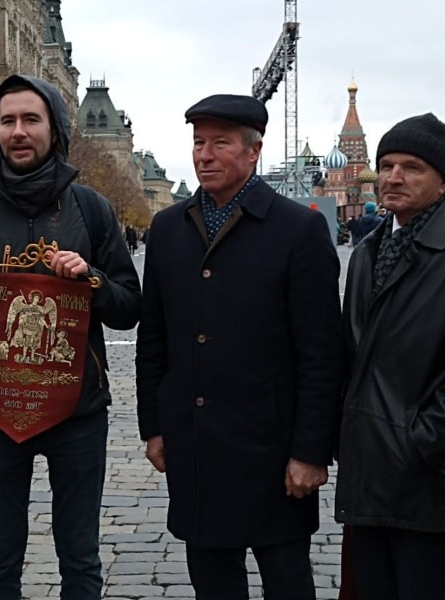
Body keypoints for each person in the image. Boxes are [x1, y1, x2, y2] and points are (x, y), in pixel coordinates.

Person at [0, 74, 140, 599]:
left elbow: (128, 308)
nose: (18, 132)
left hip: (77, 415)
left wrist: (90, 278)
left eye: (30, 119)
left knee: (81, 562)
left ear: (55, 129)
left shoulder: (92, 209)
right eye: (7, 121)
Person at [136, 94, 343, 599]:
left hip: (271, 450)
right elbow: (154, 337)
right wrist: (154, 426)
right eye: (198, 142)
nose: (204, 155)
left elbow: (322, 352)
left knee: (286, 579)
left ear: (253, 152)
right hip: (196, 444)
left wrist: (311, 451)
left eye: (219, 143)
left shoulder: (299, 229)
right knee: (212, 580)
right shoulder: (168, 228)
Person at [335, 113, 445, 600]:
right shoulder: (371, 248)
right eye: (387, 165)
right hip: (370, 473)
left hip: (430, 482)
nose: (394, 177)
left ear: (443, 182)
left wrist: (416, 445)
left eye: (412, 167)